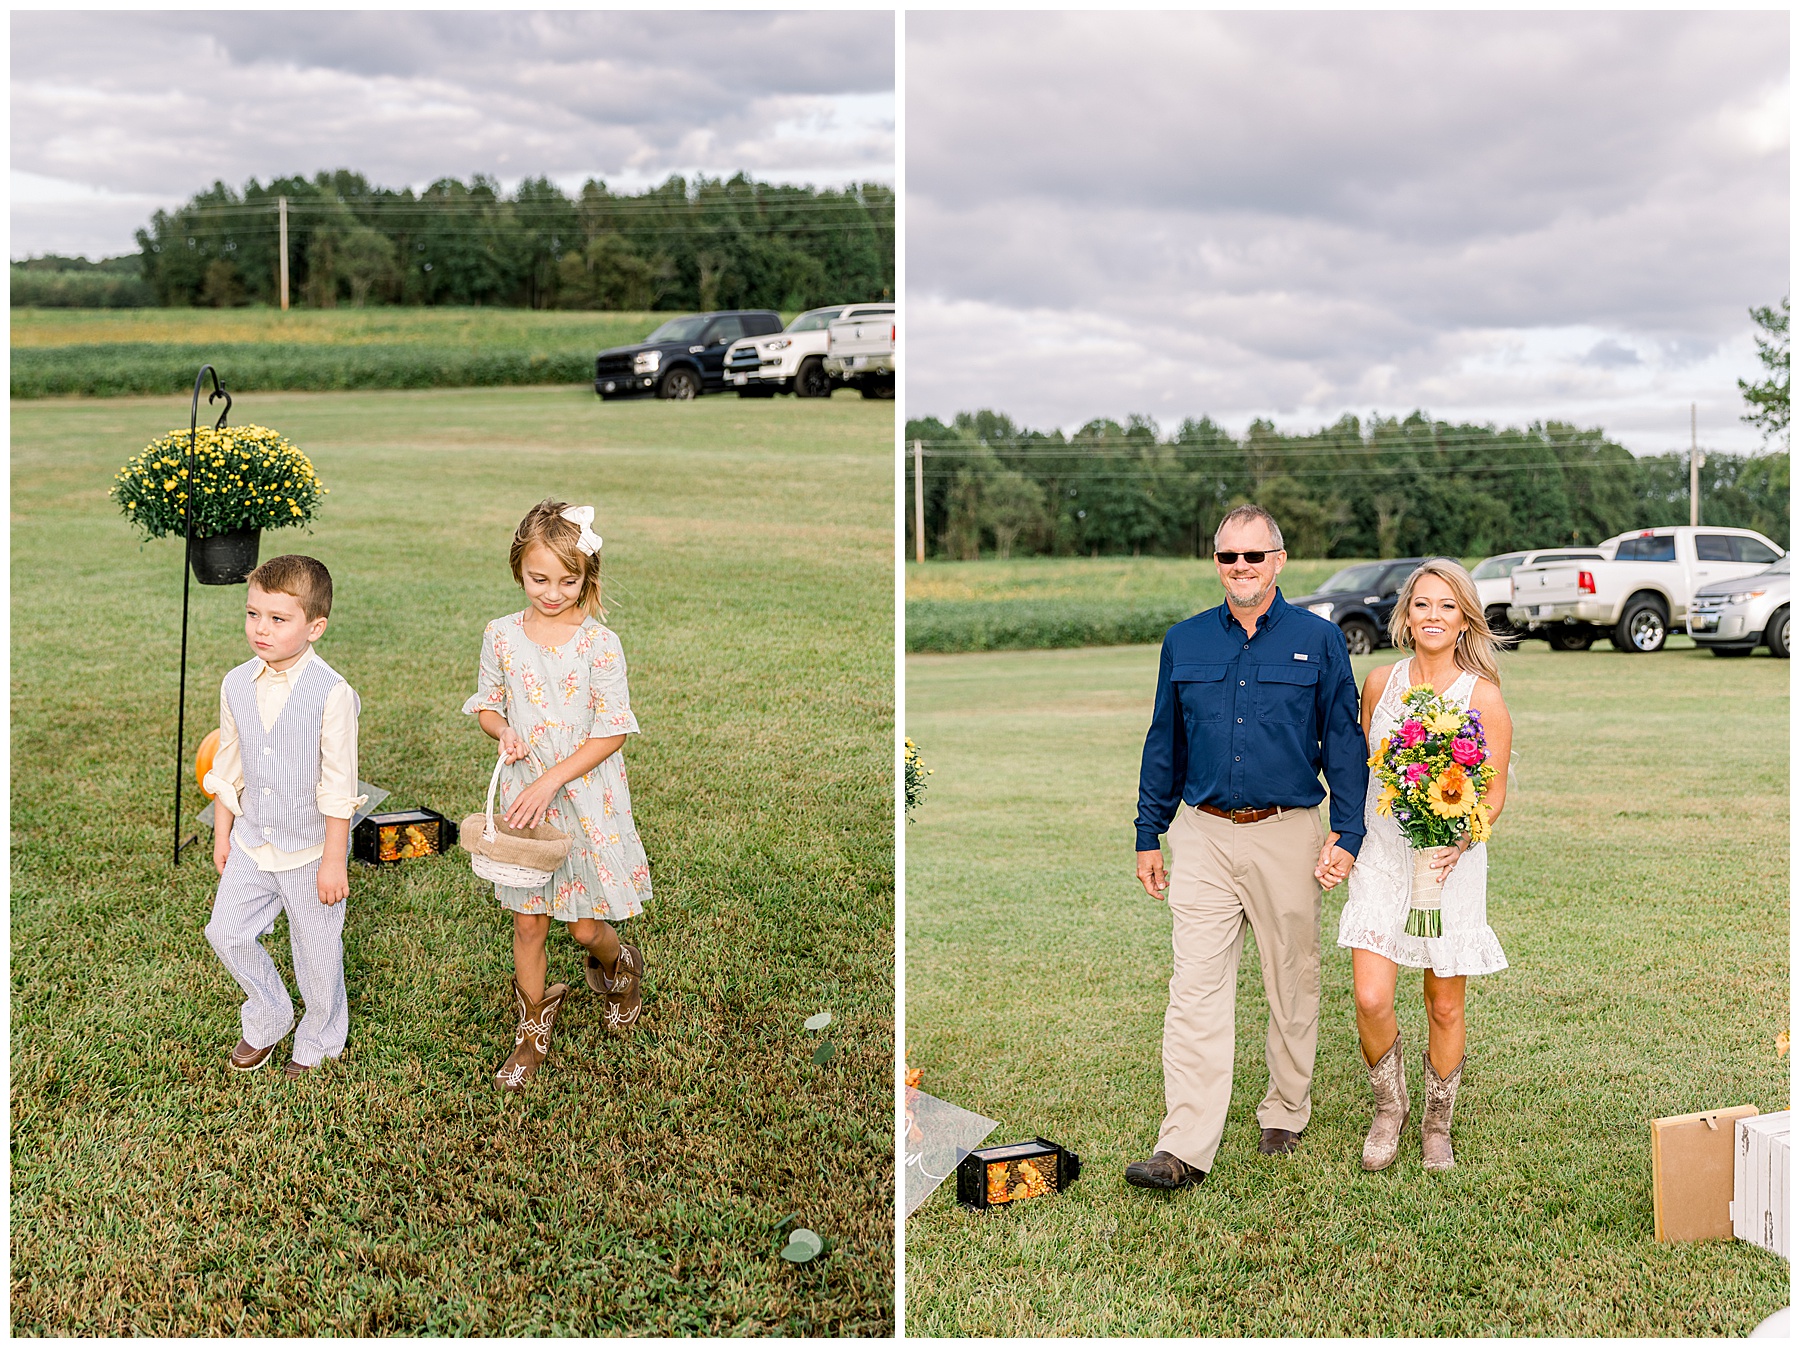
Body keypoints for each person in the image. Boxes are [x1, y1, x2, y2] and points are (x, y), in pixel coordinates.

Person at [1126, 505, 1368, 1190]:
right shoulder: (1185, 641)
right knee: (1193, 988)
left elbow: (1344, 742)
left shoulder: (1319, 641)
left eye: (1253, 556)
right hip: (1201, 834)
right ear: (1216, 564)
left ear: (1278, 561)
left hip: (1287, 831)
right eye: (1228, 556)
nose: (1241, 567)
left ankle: (1286, 1109)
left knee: (1291, 978)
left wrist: (1348, 833)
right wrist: (1149, 832)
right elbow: (1164, 740)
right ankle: (1182, 1146)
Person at [465, 499, 651, 1090]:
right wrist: (502, 730)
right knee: (529, 923)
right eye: (538, 579)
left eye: (567, 581)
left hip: (585, 797)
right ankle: (530, 1033)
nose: (552, 592)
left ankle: (619, 963)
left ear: (587, 576)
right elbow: (489, 705)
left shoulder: (600, 644)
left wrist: (552, 779)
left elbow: (612, 731)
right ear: (518, 569)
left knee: (584, 928)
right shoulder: (500, 634)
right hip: (526, 797)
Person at [1332, 559, 1510, 1172]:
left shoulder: (1483, 696)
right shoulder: (1379, 683)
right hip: (1382, 856)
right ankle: (1390, 1108)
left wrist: (1459, 840)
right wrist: (1344, 841)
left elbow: (1493, 794)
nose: (1433, 616)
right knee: (1370, 996)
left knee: (1443, 1002)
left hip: (1446, 865)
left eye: (1447, 606)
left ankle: (1438, 1123)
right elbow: (1362, 772)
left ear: (1465, 619)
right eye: (1422, 604)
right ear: (1406, 616)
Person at [204, 555, 365, 1079]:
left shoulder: (332, 694)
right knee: (226, 932)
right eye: (253, 614)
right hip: (252, 841)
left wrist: (334, 861)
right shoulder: (235, 683)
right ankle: (270, 1015)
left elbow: (338, 786)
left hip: (312, 850)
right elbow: (229, 765)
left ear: (315, 627)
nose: (261, 629)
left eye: (278, 619)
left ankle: (320, 1037)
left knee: (316, 955)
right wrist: (224, 833)